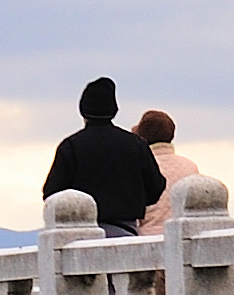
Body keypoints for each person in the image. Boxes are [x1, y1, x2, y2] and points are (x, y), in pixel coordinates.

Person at [41, 77, 165, 236]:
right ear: (114, 110)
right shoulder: (135, 144)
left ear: (83, 110)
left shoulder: (70, 146)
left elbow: (52, 194)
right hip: (127, 232)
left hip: (80, 235)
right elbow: (155, 188)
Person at [135, 110, 200, 234]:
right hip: (182, 237)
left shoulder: (139, 166)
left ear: (142, 137)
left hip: (146, 238)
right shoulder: (190, 166)